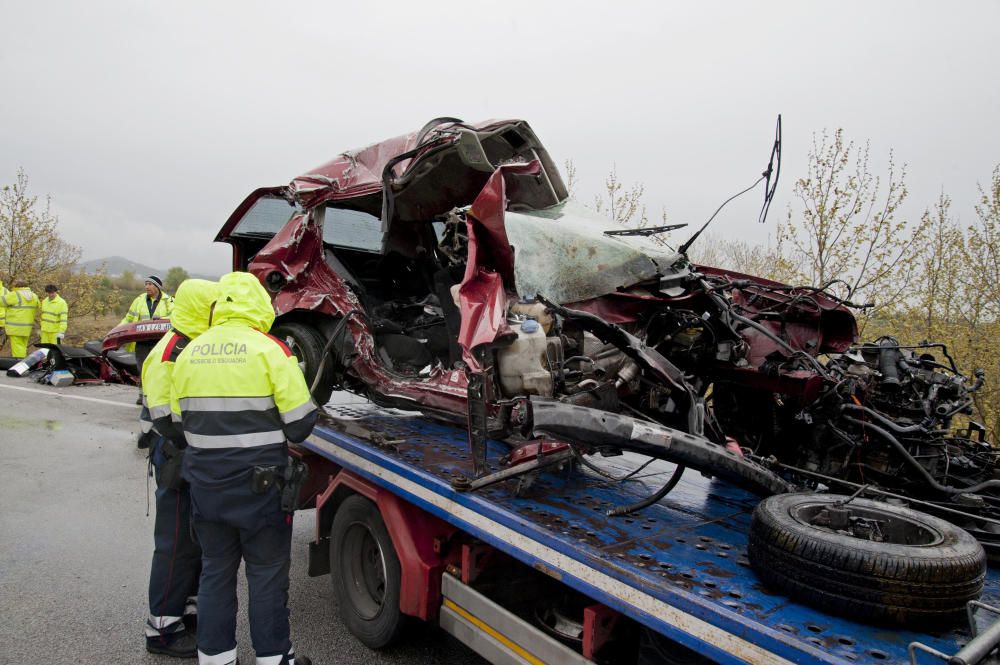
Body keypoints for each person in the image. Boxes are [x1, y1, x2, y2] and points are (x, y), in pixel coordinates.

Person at [170, 272, 317, 665]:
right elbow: (301, 425)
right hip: (260, 488)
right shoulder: (271, 351)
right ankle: (273, 658)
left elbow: (174, 423)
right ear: (260, 305)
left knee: (216, 571)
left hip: (205, 484)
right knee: (266, 573)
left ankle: (216, 658)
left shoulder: (189, 352)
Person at [141, 279, 219, 659]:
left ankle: (184, 609)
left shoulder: (192, 345)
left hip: (190, 460)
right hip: (176, 459)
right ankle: (161, 628)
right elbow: (165, 419)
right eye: (213, 308)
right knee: (174, 545)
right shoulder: (170, 352)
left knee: (193, 542)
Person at [121, 275, 174, 404]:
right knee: (143, 368)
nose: (147, 287)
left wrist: (159, 320)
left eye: (150, 284)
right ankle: (143, 396)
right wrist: (117, 333)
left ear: (157, 287)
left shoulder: (169, 301)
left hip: (160, 342)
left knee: (159, 369)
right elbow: (128, 319)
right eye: (146, 284)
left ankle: (158, 396)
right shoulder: (139, 301)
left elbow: (175, 316)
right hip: (142, 342)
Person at [2, 279, 40, 358]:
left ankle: (19, 364)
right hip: (27, 327)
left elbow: (1, 301)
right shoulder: (34, 296)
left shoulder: (15, 294)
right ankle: (24, 362)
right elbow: (39, 306)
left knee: (17, 348)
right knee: (23, 346)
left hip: (15, 327)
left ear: (16, 286)